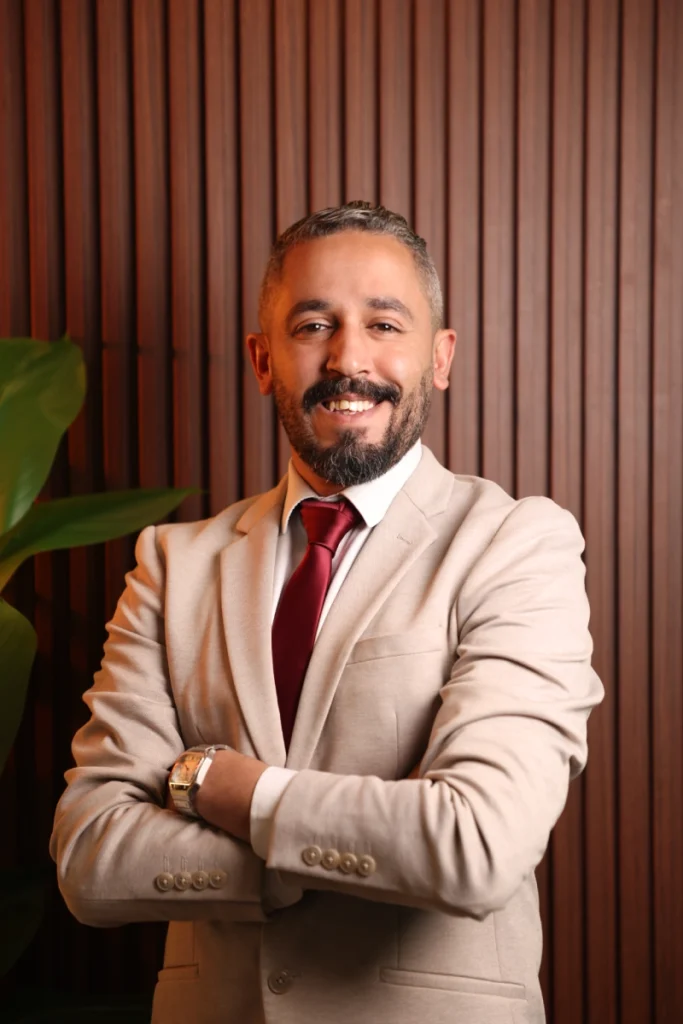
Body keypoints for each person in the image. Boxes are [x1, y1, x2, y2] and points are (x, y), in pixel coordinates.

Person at [51, 201, 603, 1024]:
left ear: (439, 357)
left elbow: (475, 846)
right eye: (313, 326)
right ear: (262, 359)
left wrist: (223, 788)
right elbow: (92, 857)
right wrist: (347, 853)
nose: (347, 358)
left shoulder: (515, 544)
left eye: (384, 324)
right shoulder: (172, 565)